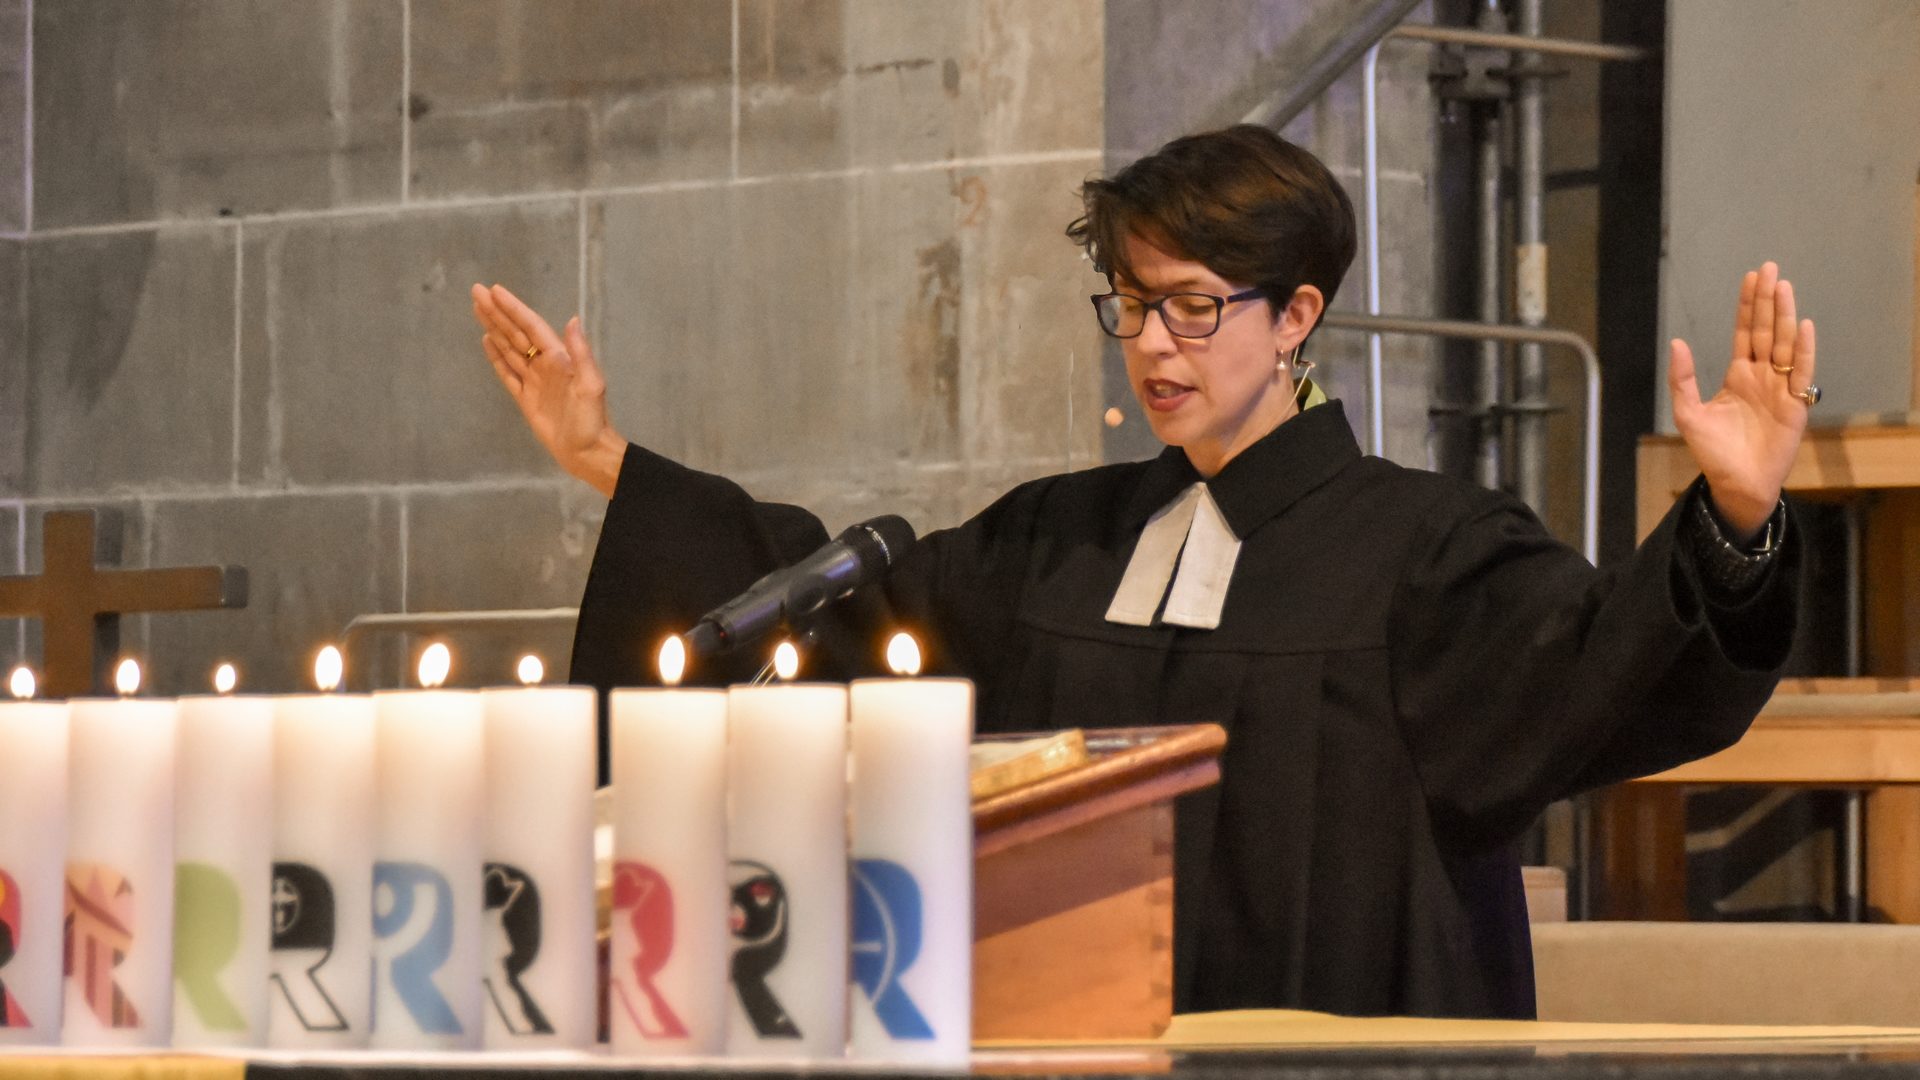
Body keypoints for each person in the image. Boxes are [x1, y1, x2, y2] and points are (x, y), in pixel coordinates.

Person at [469, 124, 1816, 1020]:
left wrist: (1738, 517)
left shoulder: (1428, 552)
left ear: (1296, 316)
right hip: (1075, 1029)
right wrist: (609, 463)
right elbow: (845, 631)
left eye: (1194, 306)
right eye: (1132, 303)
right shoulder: (1061, 537)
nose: (1155, 347)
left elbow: (1605, 671)